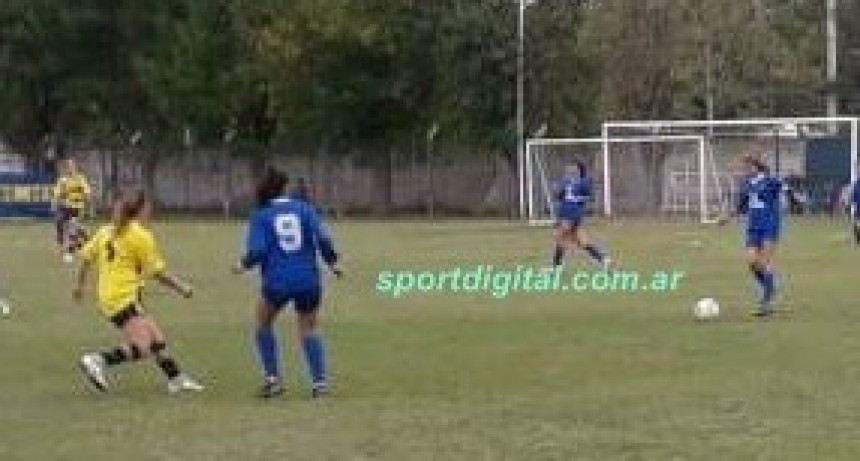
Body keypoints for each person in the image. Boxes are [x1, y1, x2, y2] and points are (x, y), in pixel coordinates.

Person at [73, 189, 204, 394]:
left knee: (156, 337)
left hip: (110, 296)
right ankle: (97, 360)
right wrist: (183, 288)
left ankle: (176, 378)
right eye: (148, 207)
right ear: (141, 210)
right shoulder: (140, 236)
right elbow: (158, 273)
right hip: (123, 298)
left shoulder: (106, 230)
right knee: (142, 346)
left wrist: (79, 286)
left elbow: (86, 258)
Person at [233, 168, 342, 399]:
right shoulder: (304, 208)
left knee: (263, 323)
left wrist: (243, 265)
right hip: (308, 280)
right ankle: (320, 384)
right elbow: (322, 238)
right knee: (309, 328)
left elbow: (258, 250)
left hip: (278, 281)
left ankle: (273, 381)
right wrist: (332, 263)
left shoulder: (261, 214)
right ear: (285, 187)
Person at [735, 155, 784, 317]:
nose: (745, 170)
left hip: (770, 224)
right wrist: (726, 217)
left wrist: (795, 197)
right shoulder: (747, 185)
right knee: (751, 261)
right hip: (753, 227)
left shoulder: (770, 181)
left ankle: (766, 301)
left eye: (747, 167)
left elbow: (784, 188)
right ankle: (770, 285)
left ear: (756, 167)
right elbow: (740, 207)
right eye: (744, 168)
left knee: (765, 260)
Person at [551, 162, 611, 270]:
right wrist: (557, 191)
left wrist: (576, 199)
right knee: (582, 242)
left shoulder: (584, 183)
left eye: (572, 168)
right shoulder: (565, 182)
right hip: (564, 212)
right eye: (568, 168)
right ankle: (603, 259)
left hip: (573, 213)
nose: (569, 169)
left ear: (579, 170)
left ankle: (557, 267)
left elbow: (589, 197)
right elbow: (560, 197)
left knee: (561, 237)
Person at [53, 158, 91, 262]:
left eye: (72, 166)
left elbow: (87, 193)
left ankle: (70, 252)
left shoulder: (80, 178)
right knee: (59, 223)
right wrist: (57, 203)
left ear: (75, 167)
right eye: (68, 166)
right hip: (66, 207)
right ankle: (63, 246)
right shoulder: (62, 180)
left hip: (78, 208)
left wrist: (86, 200)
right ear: (66, 168)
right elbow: (57, 194)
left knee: (72, 228)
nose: (70, 168)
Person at [852, 180, 860, 245]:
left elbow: (854, 199)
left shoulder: (856, 185)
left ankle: (857, 238)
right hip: (858, 207)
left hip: (858, 207)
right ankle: (857, 238)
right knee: (856, 222)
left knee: (857, 222)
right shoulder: (856, 185)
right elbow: (854, 198)